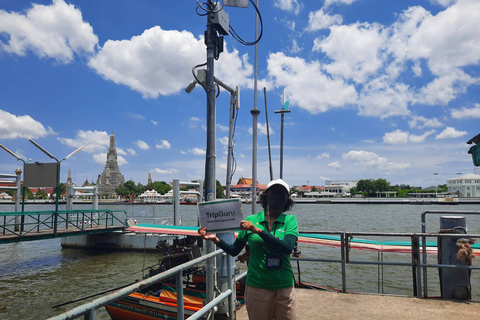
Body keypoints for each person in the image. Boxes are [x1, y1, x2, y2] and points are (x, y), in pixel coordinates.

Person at [198, 178, 298, 320]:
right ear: (266, 195)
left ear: (286, 200)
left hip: (284, 288)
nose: (277, 197)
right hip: (257, 287)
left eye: (282, 194)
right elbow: (234, 250)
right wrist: (216, 240)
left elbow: (287, 247)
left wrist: (259, 231)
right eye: (274, 192)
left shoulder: (290, 221)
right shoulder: (251, 220)